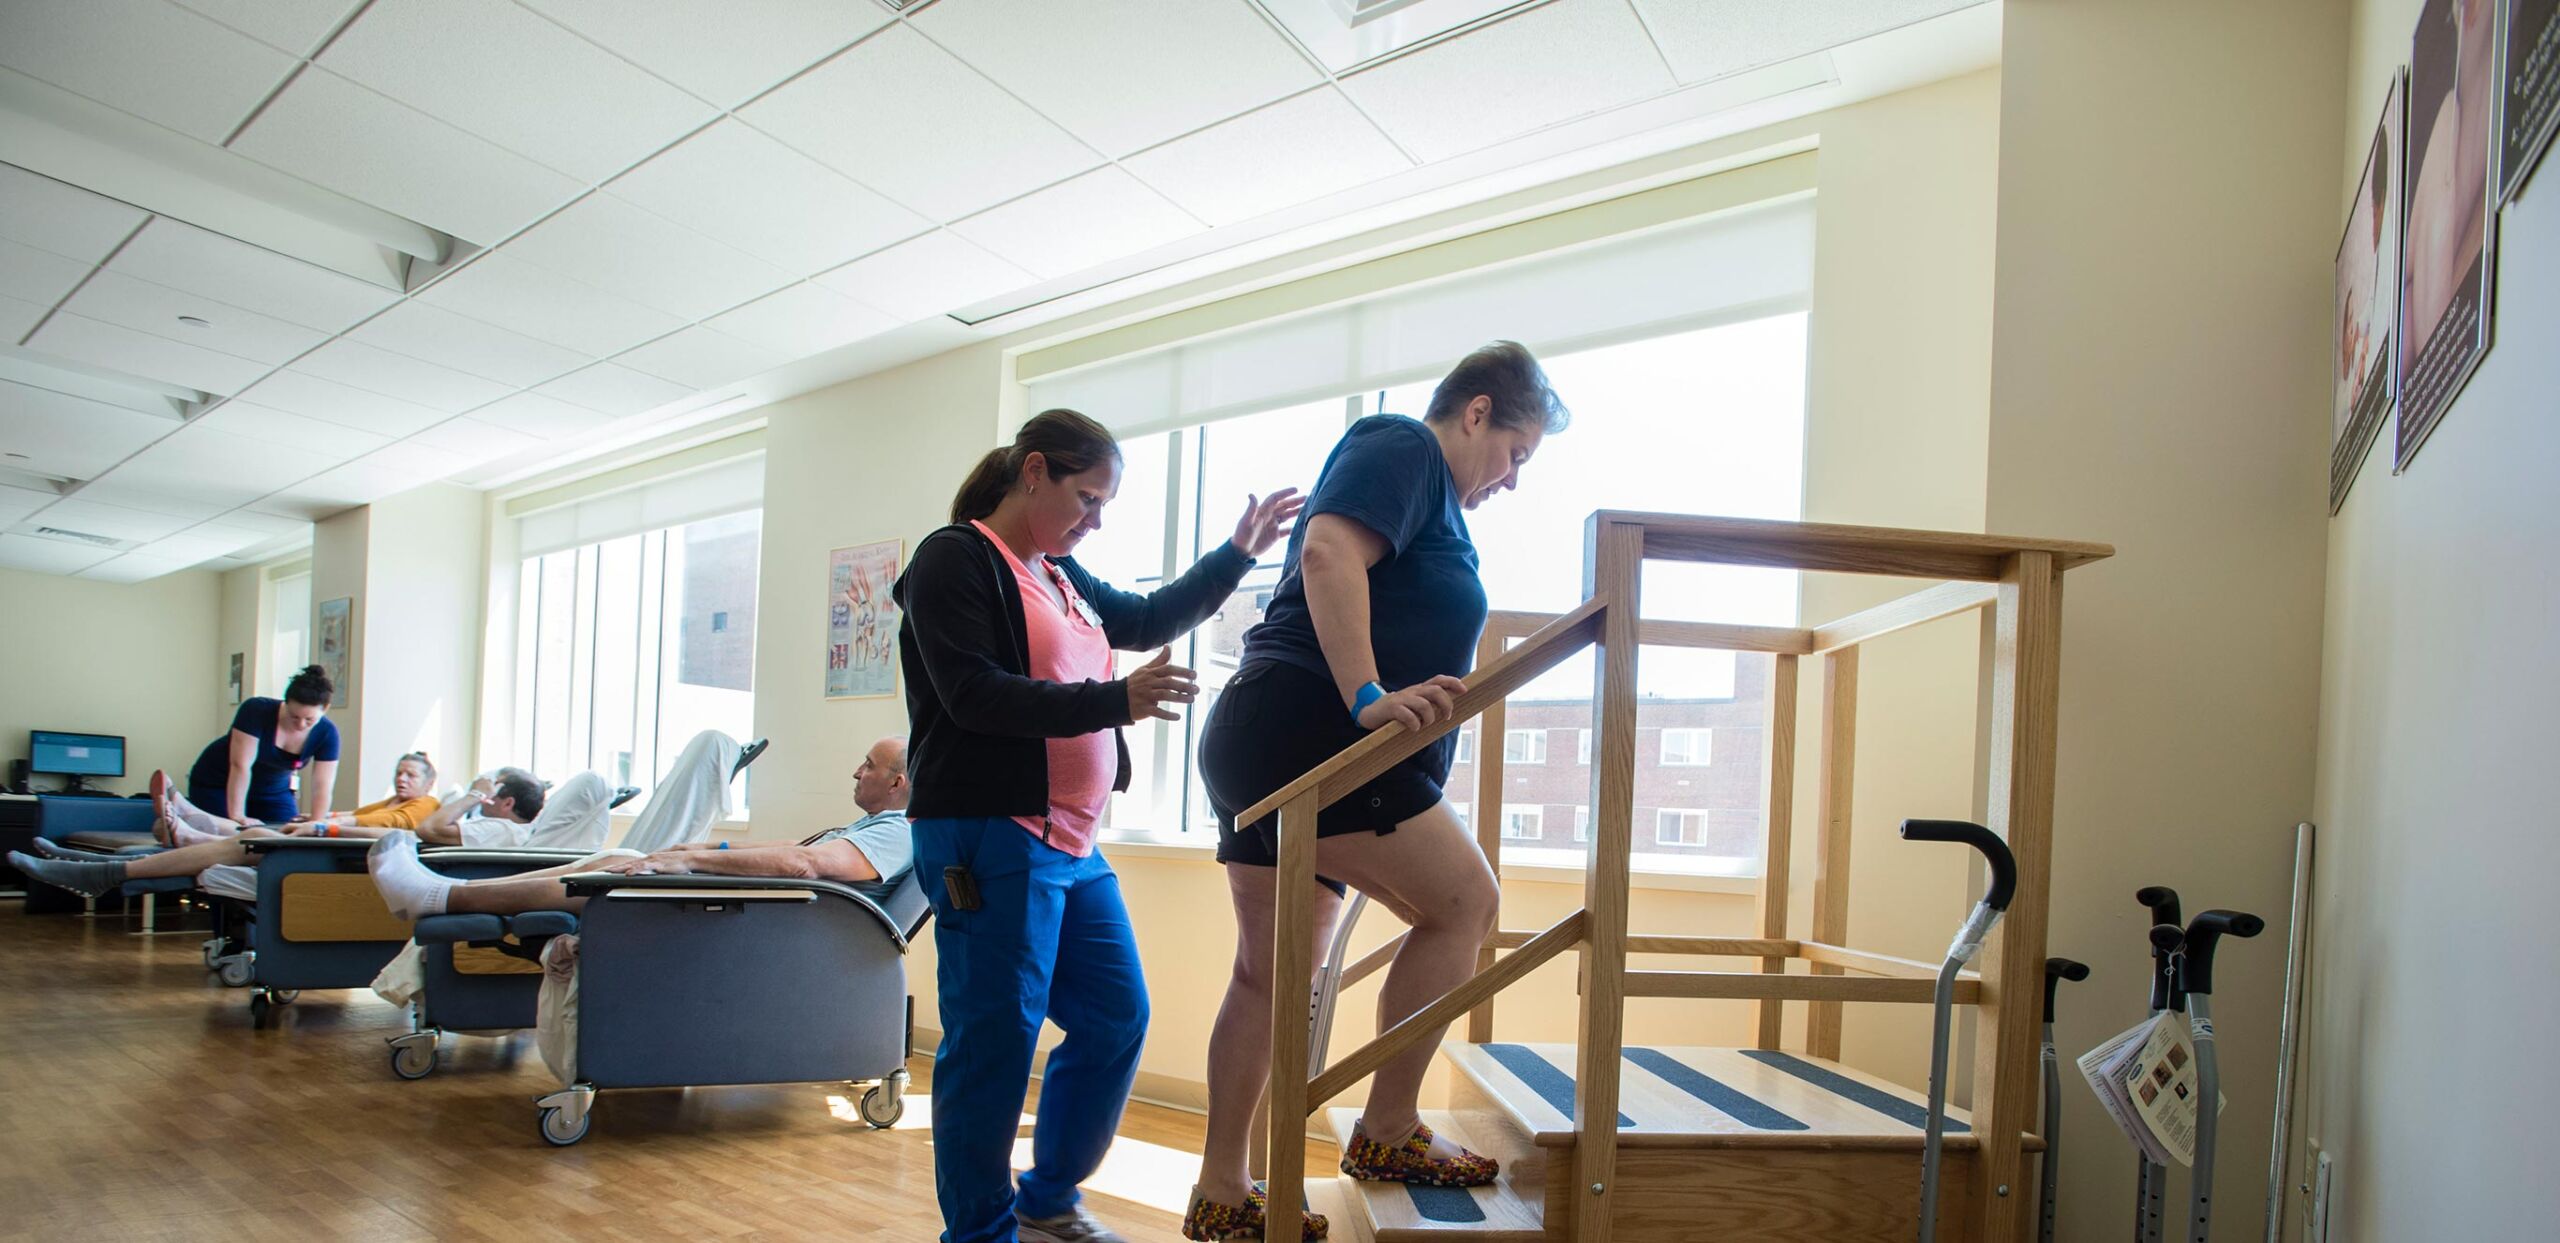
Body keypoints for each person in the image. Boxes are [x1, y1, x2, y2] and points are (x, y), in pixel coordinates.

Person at [1185, 341, 1568, 1239]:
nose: (1512, 480)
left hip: (1262, 735)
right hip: (1309, 734)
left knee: (1269, 976)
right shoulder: (1403, 446)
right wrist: (1366, 695)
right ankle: (1388, 1128)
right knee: (1467, 903)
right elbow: (1324, 552)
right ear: (1476, 411)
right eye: (1516, 453)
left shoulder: (1431, 500)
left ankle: (1220, 1190)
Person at [896, 408, 1301, 1243]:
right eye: (1088, 498)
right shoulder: (955, 558)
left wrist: (1238, 554)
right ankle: (979, 1232)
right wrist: (1118, 699)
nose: (1096, 520)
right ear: (1033, 470)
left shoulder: (1061, 575)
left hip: (1073, 842)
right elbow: (973, 694)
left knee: (1118, 1016)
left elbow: (1149, 620)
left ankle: (1047, 1196)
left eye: (1105, 506)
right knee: (994, 1043)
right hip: (989, 832)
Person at [365, 736, 913, 920]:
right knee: (619, 857)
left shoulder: (902, 830)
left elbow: (807, 865)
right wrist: (709, 845)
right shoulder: (878, 825)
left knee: (611, 869)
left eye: (869, 764)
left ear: (898, 782)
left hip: (773, 921)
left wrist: (691, 862)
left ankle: (441, 896)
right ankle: (444, 893)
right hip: (767, 907)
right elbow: (799, 848)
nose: (856, 771)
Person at [151, 751, 441, 845]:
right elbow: (362, 812)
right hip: (327, 833)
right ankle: (187, 817)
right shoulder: (394, 799)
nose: (401, 779)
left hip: (336, 844)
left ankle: (191, 832)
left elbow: (388, 822)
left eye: (410, 776)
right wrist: (323, 818)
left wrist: (323, 822)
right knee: (256, 828)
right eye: (399, 773)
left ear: (428, 783)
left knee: (259, 835)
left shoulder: (427, 804)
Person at [179, 664, 340, 831]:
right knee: (229, 832)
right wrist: (237, 816)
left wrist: (316, 824)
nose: (300, 724)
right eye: (294, 716)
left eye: (309, 720)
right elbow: (240, 765)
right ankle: (180, 817)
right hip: (219, 783)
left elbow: (322, 785)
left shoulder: (328, 733)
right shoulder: (256, 710)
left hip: (273, 792)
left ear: (325, 709)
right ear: (286, 703)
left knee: (287, 835)